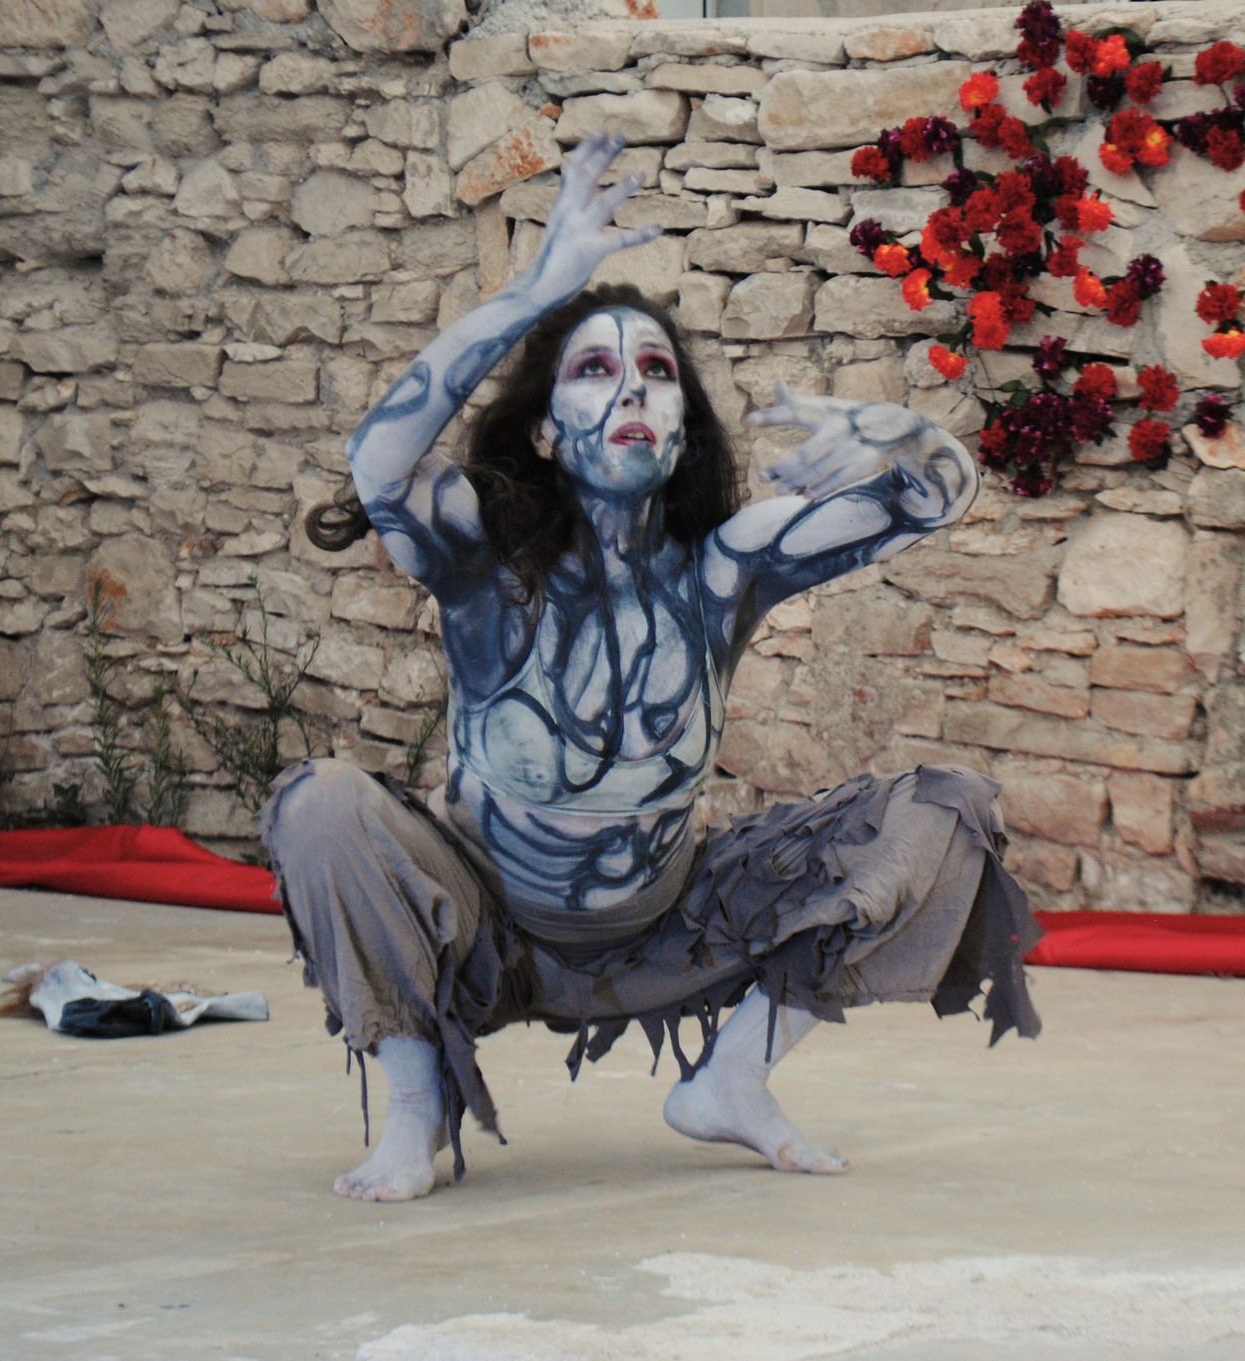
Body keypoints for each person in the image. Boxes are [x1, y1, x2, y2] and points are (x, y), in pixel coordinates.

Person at [261, 132, 1042, 1202]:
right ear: (546, 427)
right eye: (594, 370)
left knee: (946, 810)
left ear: (680, 429)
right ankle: (416, 1103)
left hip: (670, 928)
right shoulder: (486, 566)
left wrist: (896, 430)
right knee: (320, 802)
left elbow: (933, 499)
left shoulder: (725, 569)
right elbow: (379, 465)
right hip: (487, 929)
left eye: (657, 374)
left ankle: (732, 1079)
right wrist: (536, 293)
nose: (631, 388)